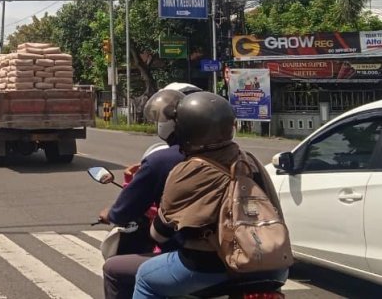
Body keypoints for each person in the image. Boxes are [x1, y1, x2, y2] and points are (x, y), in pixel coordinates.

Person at [132, 92, 289, 299]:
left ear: (184, 130)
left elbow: (159, 234)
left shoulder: (187, 171)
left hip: (211, 267)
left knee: (145, 278)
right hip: (272, 267)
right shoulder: (249, 161)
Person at [100, 84, 202, 299]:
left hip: (195, 259)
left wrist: (110, 213)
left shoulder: (161, 160)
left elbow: (123, 211)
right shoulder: (240, 158)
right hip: (249, 258)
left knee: (114, 270)